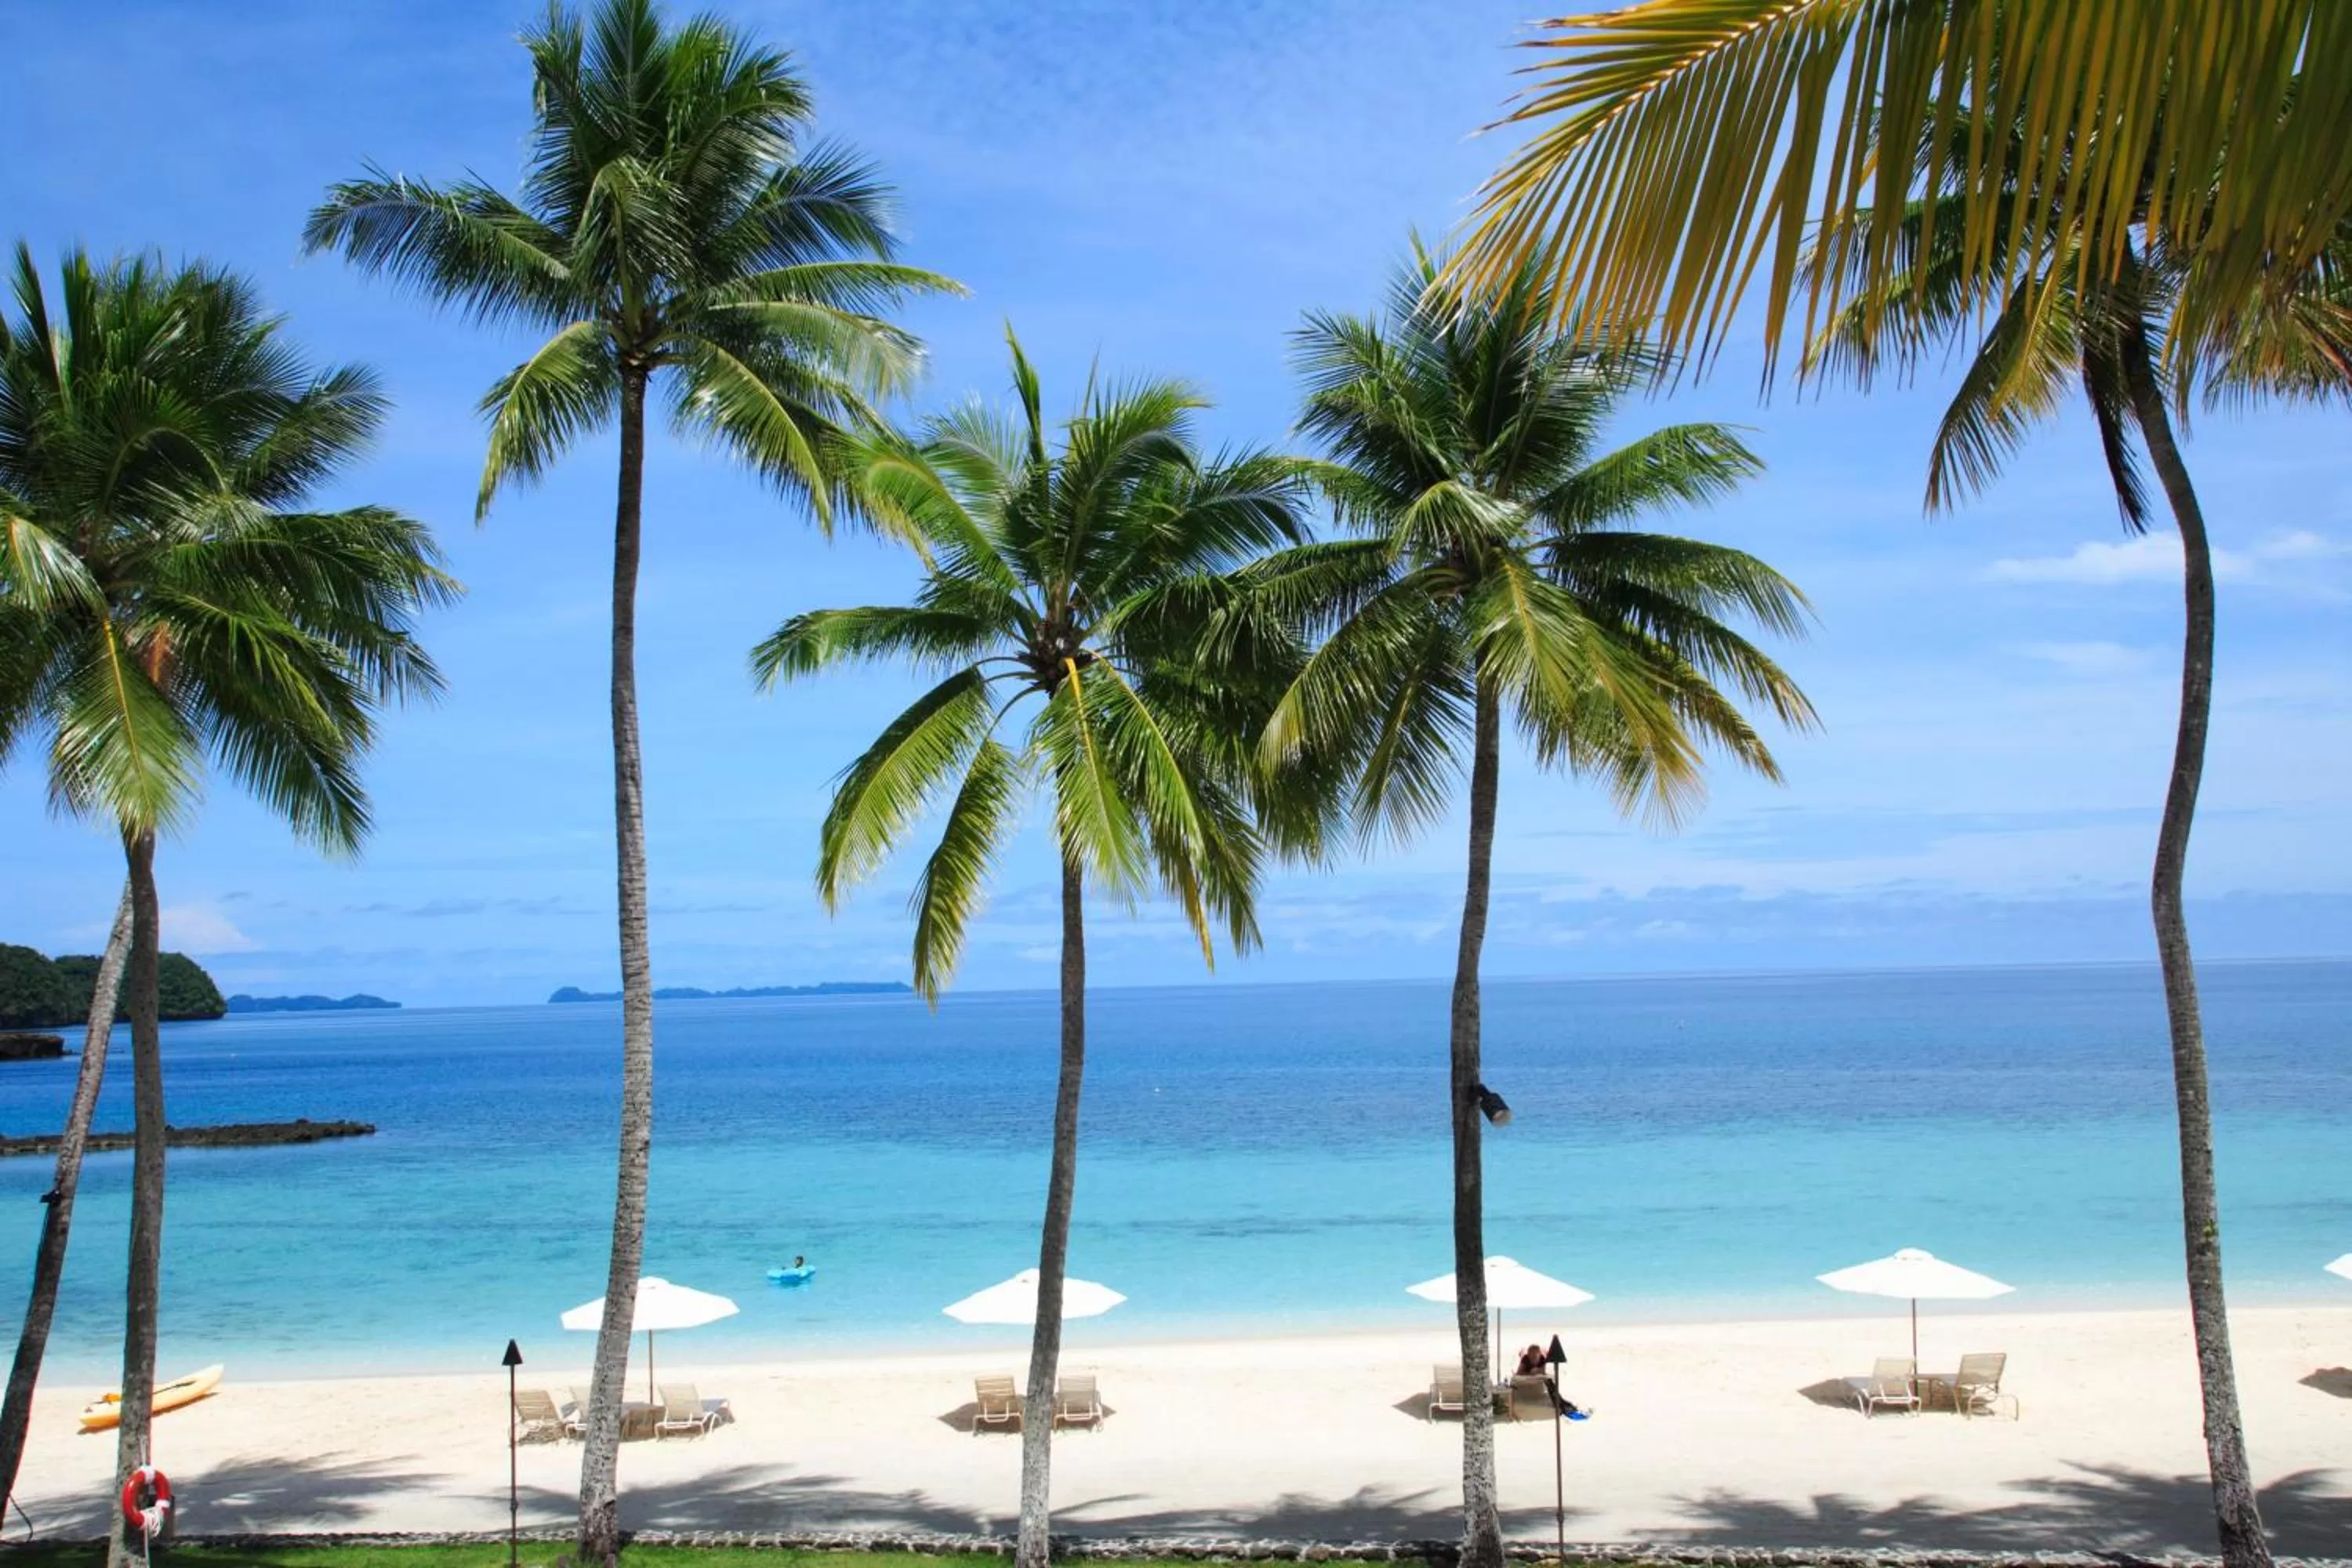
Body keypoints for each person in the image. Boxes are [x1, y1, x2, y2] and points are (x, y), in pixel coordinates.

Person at [1515, 1342, 1588, 1420]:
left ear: (1539, 1355)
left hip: (1542, 1353)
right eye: (1531, 1357)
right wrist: (1530, 1373)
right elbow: (1519, 1372)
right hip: (1525, 1358)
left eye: (1535, 1357)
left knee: (1549, 1382)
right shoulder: (1525, 1358)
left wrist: (1538, 1371)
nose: (1533, 1359)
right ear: (1529, 1355)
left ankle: (1558, 1401)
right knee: (1524, 1361)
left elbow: (1543, 1371)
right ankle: (1522, 1350)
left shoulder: (1543, 1358)